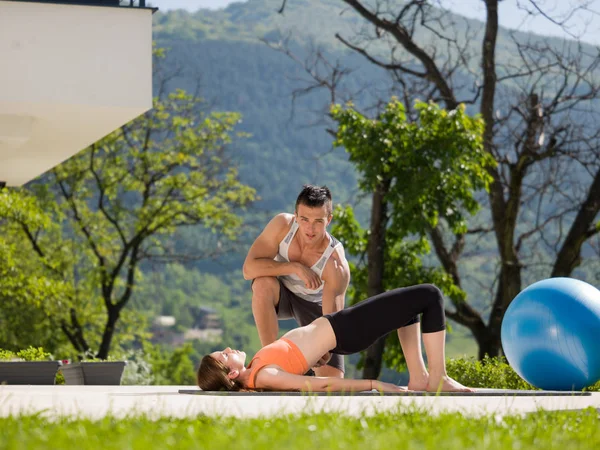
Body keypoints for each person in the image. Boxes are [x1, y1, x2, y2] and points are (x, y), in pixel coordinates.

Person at [196, 284, 473, 393]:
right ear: (231, 373)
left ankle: (420, 377)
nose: (228, 348)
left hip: (340, 329)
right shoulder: (264, 375)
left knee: (408, 309)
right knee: (430, 295)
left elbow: (297, 356)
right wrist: (375, 384)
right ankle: (438, 377)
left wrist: (314, 354)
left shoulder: (257, 368)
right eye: (224, 354)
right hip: (346, 330)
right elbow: (322, 384)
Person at [242, 185, 349, 378]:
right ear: (296, 215)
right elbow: (248, 269)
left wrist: (321, 349)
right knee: (262, 282)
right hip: (282, 293)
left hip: (315, 307)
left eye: (318, 221)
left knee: (331, 384)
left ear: (329, 220)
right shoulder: (282, 226)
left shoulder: (334, 263)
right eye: (304, 219)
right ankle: (271, 362)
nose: (310, 228)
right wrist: (295, 267)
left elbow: (333, 323)